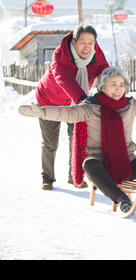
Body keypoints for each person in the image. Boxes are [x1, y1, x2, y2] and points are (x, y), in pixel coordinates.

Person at [20, 67, 136, 214]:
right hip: (101, 169)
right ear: (103, 87)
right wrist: (42, 112)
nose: (118, 89)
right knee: (89, 163)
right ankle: (122, 199)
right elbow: (66, 113)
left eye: (121, 85)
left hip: (126, 165)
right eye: (113, 85)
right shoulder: (90, 108)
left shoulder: (130, 106)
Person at [35, 25, 109, 190]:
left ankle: (74, 177)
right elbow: (63, 78)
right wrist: (82, 98)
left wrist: (113, 92)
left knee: (77, 140)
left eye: (91, 42)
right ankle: (47, 178)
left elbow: (106, 73)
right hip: (50, 100)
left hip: (75, 103)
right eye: (83, 42)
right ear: (74, 42)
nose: (87, 46)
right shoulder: (60, 54)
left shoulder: (96, 53)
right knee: (50, 143)